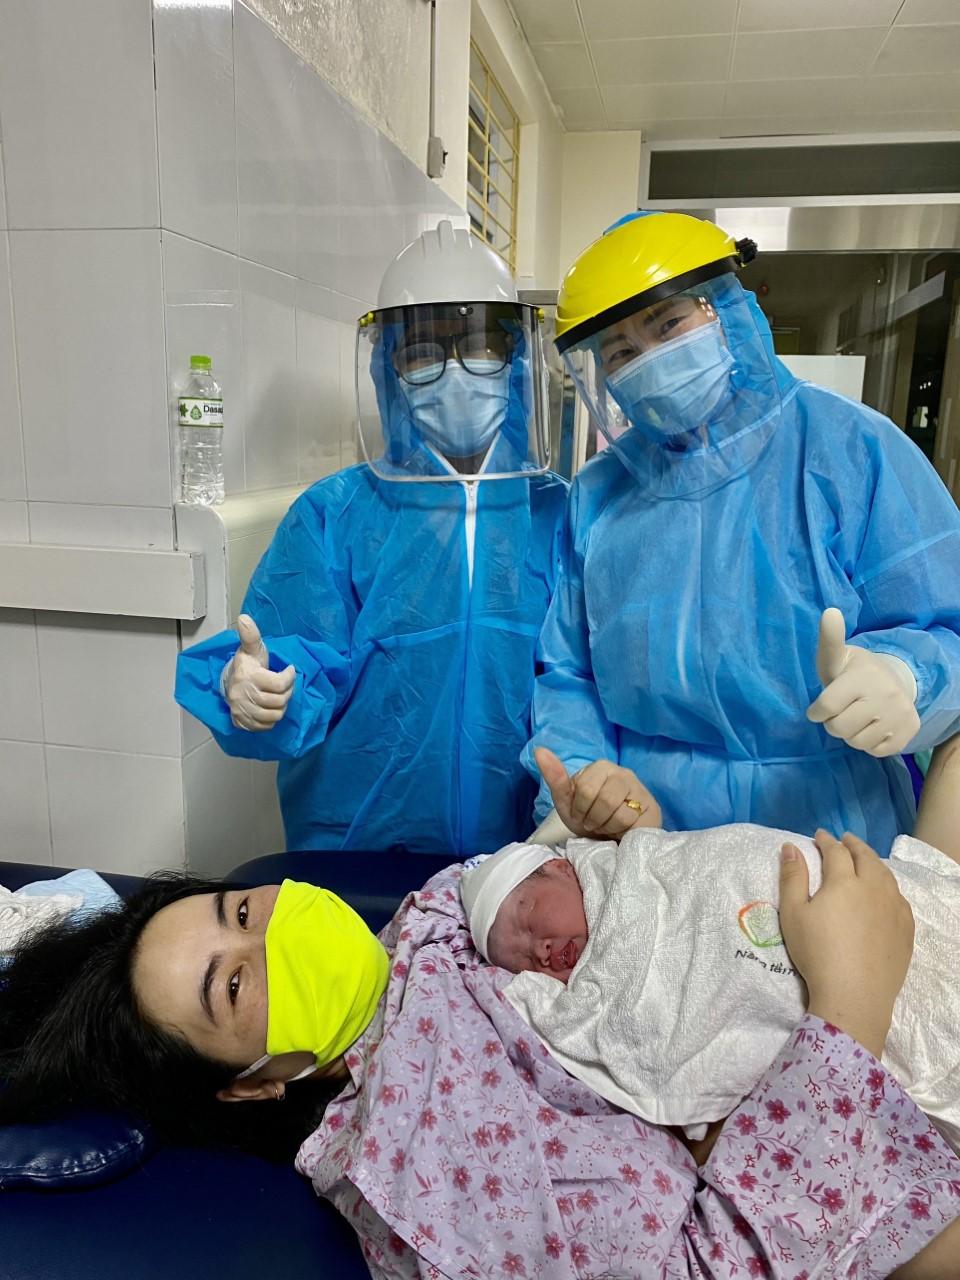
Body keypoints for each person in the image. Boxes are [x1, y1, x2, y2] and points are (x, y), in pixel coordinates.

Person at [2, 818, 959, 1276]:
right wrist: (849, 1013)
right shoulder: (418, 1169)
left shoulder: (419, 923)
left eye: (241, 911)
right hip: (883, 1118)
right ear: (251, 1090)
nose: (272, 936)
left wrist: (607, 850)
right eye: (236, 984)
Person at [525, 210, 960, 854]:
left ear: (730, 309)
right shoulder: (596, 495)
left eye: (668, 324)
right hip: (649, 834)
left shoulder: (852, 448)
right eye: (619, 351)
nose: (649, 359)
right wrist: (587, 778)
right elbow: (568, 672)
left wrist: (906, 677)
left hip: (828, 827)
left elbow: (948, 624)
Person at [176, 220, 567, 856]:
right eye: (422, 353)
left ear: (516, 360)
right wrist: (254, 681)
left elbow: (578, 686)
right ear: (388, 370)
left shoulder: (558, 513)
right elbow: (295, 661)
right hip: (360, 859)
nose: (455, 373)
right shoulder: (334, 515)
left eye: (479, 345)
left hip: (519, 869)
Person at [461, 737, 960, 1154]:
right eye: (525, 961)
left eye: (528, 920)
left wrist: (909, 677)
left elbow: (715, 866)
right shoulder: (593, 1000)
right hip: (844, 1045)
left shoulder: (630, 867)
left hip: (836, 842)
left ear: (558, 866)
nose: (541, 952)